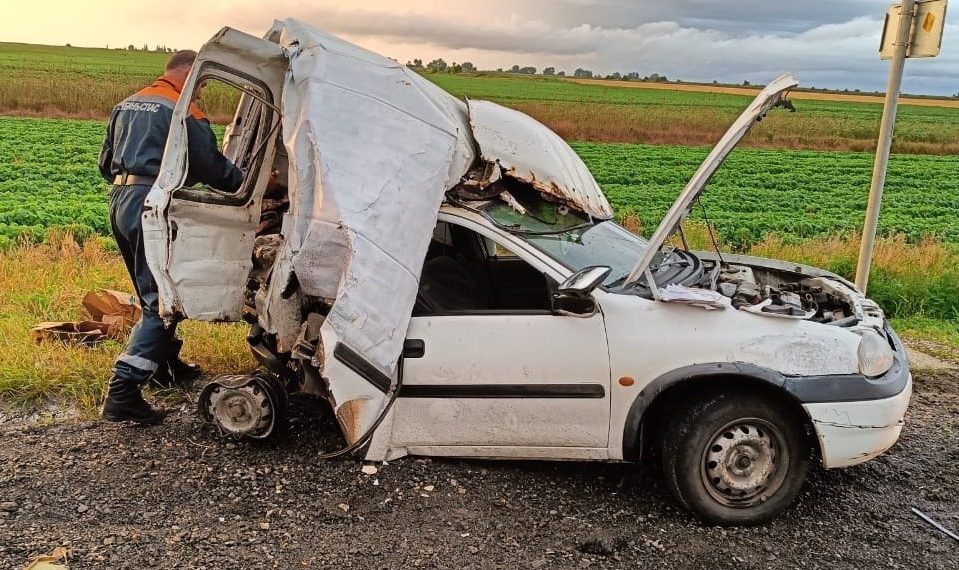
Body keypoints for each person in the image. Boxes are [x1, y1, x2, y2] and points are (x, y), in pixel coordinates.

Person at [98, 50, 244, 424]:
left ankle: (165, 367)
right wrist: (253, 186)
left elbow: (104, 164)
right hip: (153, 205)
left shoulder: (127, 104)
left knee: (154, 291)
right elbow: (212, 168)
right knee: (162, 302)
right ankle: (123, 392)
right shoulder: (182, 109)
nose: (201, 93)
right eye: (202, 84)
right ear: (190, 73)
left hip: (120, 200)